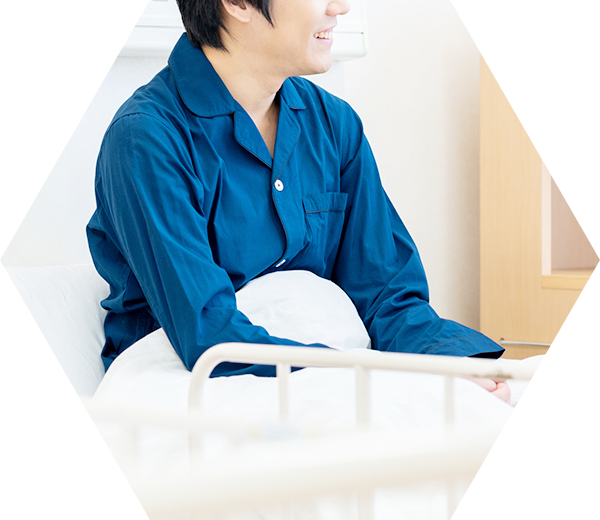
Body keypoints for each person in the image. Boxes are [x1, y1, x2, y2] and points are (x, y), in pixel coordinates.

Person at [86, 0, 510, 401]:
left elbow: (387, 295)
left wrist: (445, 361)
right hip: (188, 385)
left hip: (328, 377)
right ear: (237, 3)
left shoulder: (334, 125)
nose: (340, 7)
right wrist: (370, 377)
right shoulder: (146, 138)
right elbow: (208, 332)